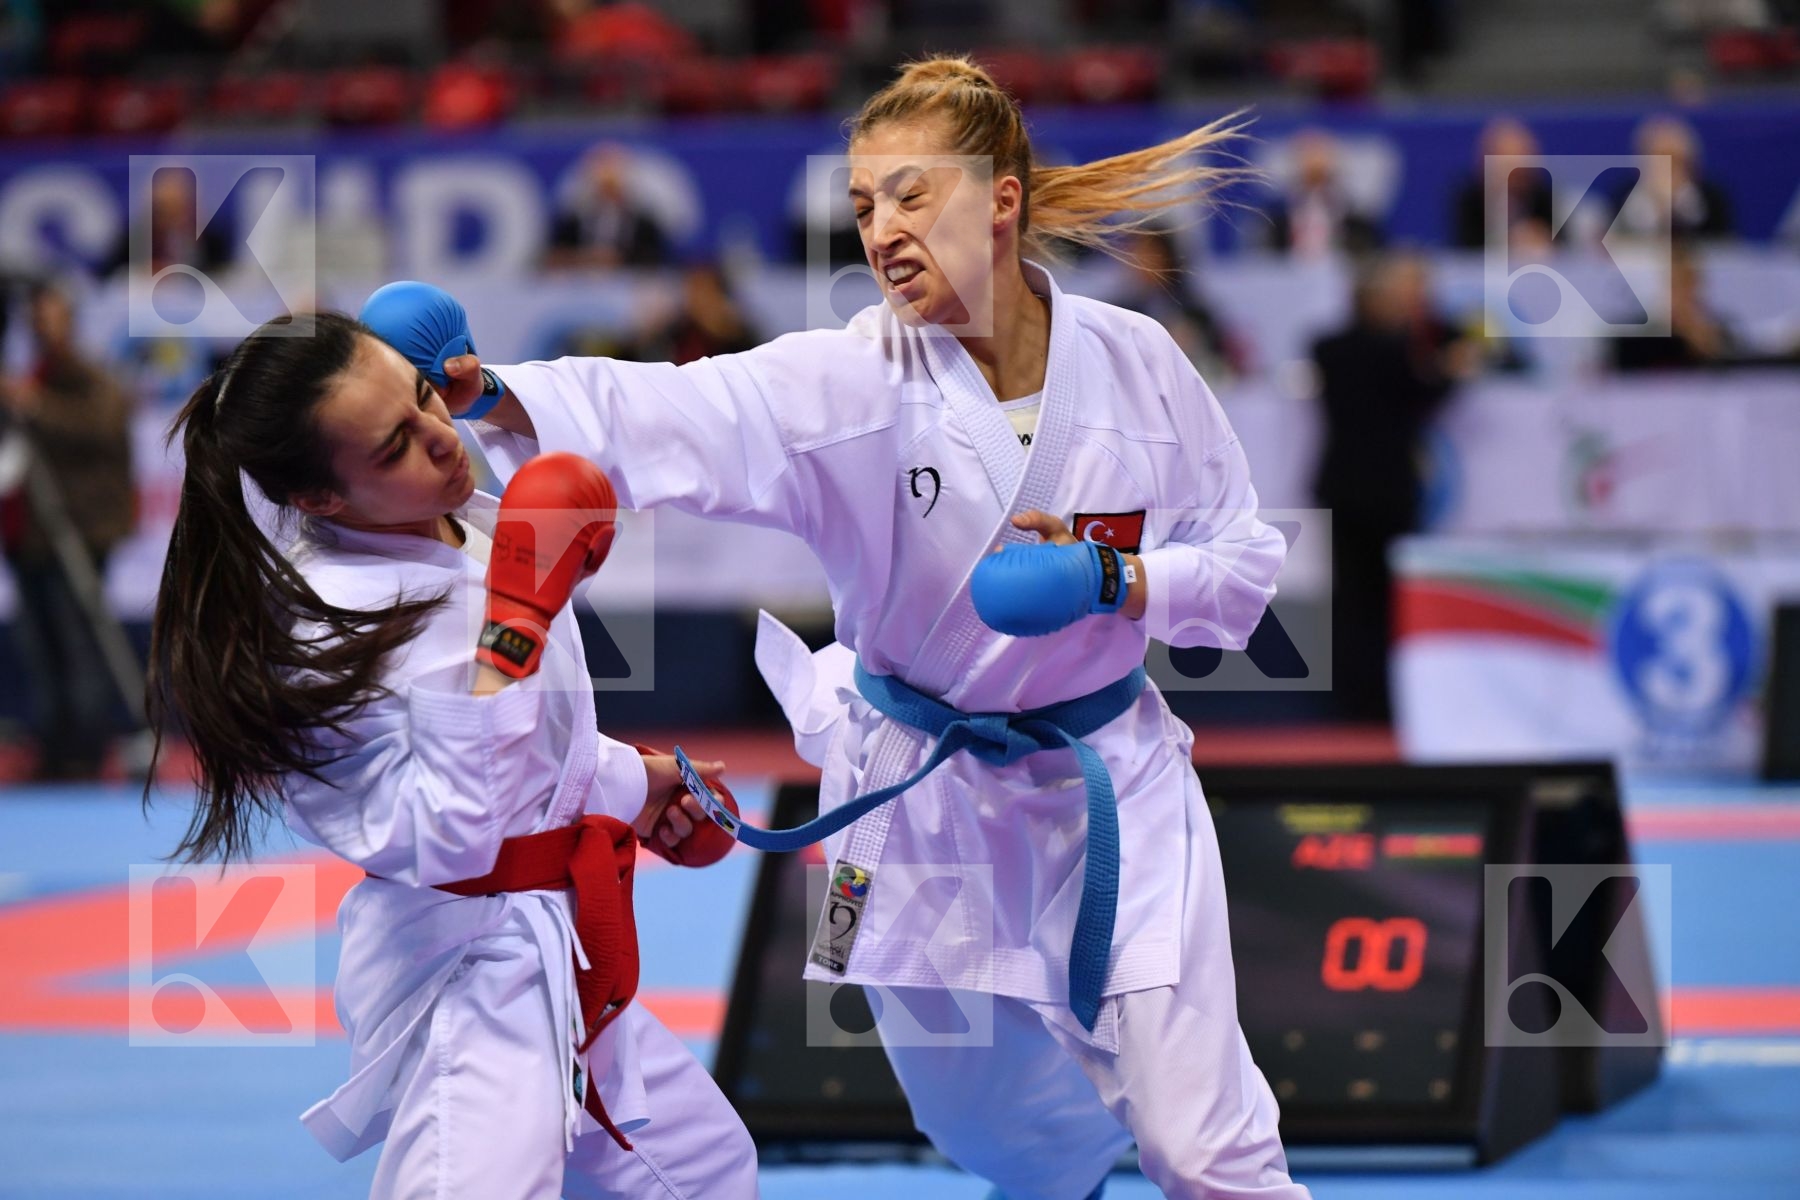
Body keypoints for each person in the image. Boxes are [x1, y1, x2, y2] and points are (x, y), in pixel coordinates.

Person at [368, 56, 1310, 1200]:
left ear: (1002, 197)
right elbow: (669, 407)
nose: (882, 230)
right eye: (863, 205)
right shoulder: (850, 382)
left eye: (913, 195)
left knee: (1205, 1149)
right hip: (921, 794)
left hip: (1109, 778)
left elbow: (1248, 567)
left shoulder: (1140, 362)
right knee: (994, 1134)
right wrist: (488, 395)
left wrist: (1115, 579)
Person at [142, 311, 758, 1198]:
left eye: (425, 396)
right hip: (466, 978)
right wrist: (508, 645)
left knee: (699, 1171)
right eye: (395, 444)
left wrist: (632, 784)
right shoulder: (329, 627)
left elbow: (538, 755)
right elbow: (452, 836)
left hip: (550, 945)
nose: (440, 439)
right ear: (320, 496)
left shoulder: (451, 521)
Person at [1310, 254, 1472, 723]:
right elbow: (1427, 393)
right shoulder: (1395, 351)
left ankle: (1350, 702)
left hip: (1343, 488)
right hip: (1387, 492)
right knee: (1385, 602)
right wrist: (1453, 372)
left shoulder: (1328, 347)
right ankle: (1386, 701)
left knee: (1349, 602)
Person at [0, 282, 135, 780]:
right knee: (40, 646)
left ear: (69, 321)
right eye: (36, 316)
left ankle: (86, 749)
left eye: (51, 315)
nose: (43, 326)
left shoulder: (87, 379)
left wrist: (36, 406)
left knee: (80, 642)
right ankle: (53, 749)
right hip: (28, 534)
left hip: (79, 533)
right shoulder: (27, 377)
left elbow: (102, 424)